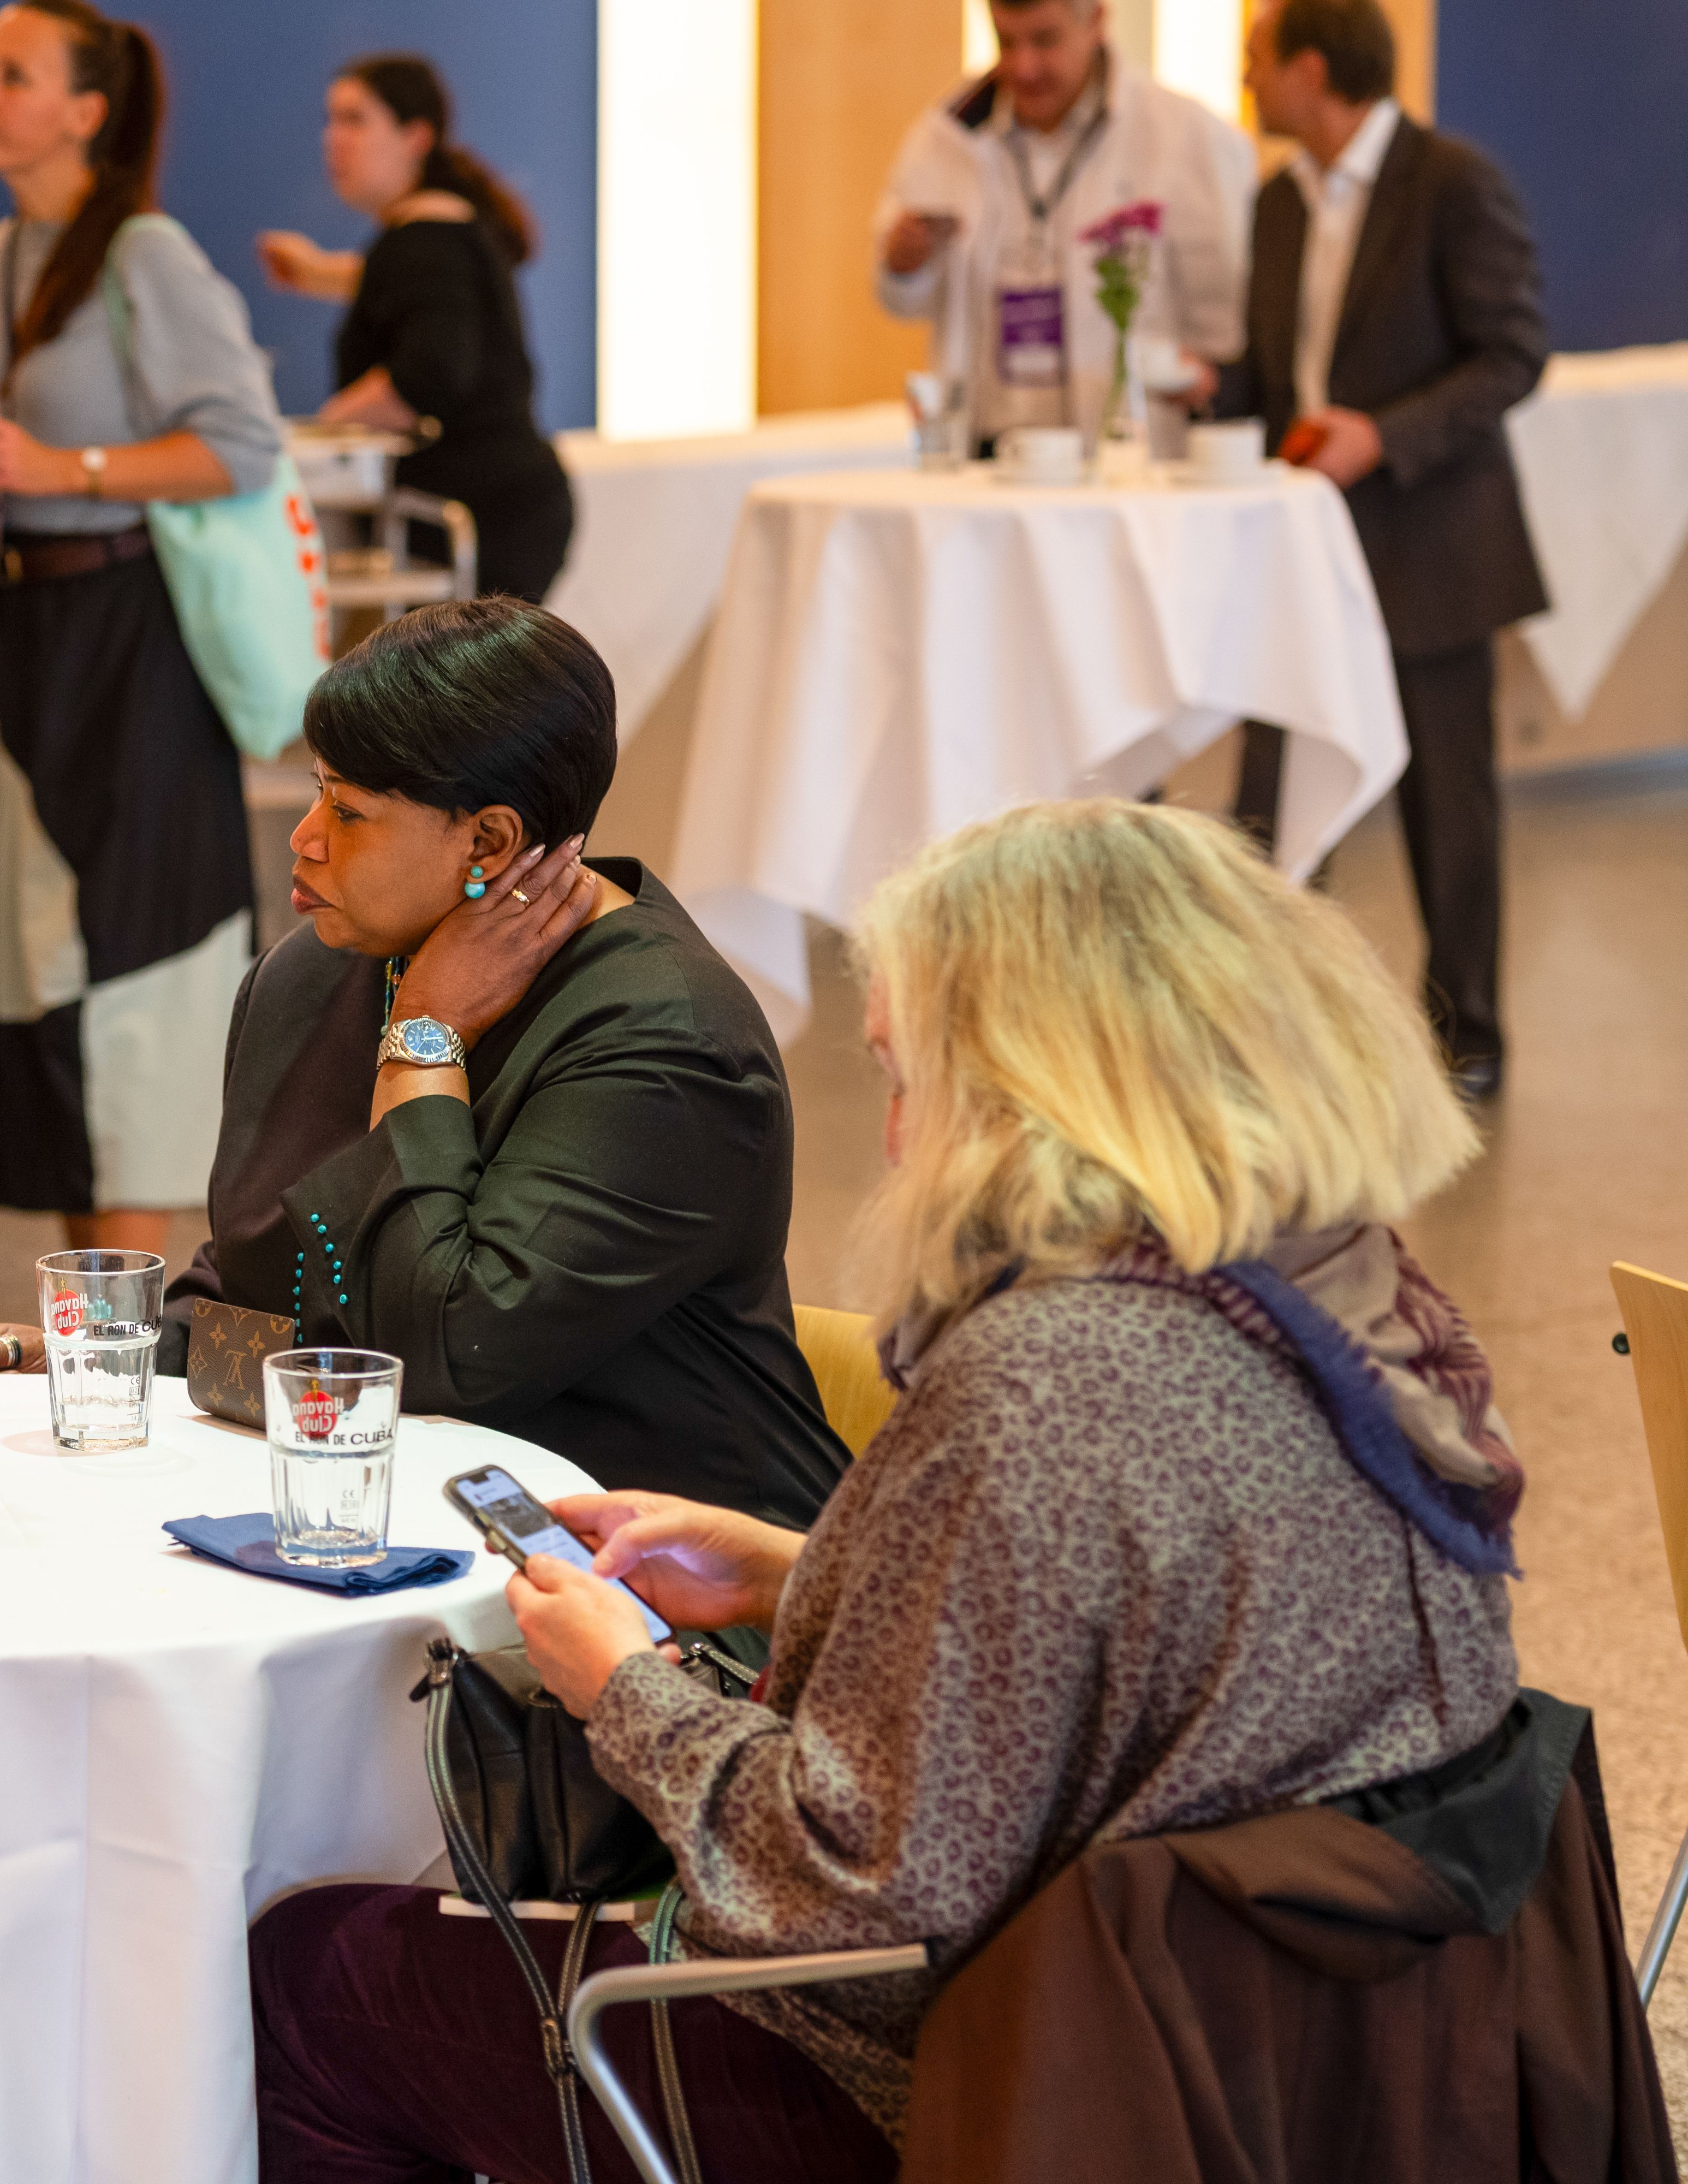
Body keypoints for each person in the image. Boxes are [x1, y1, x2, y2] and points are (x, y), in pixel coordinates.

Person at [250, 799, 1517, 2180]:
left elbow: (836, 1896)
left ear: (1038, 1099)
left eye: (903, 1078)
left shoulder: (1041, 1378)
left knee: (308, 1980)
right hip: (1309, 2054)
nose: (895, 1136)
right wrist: (805, 1567)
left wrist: (624, 1686)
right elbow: (1173, 1627)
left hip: (996, 2088)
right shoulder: (1355, 1307)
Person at [0, 599, 850, 1530]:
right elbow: (268, 1295)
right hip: (386, 1517)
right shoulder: (314, 972)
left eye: (349, 812)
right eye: (316, 792)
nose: (305, 838)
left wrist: (425, 1038)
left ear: (491, 843)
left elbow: (445, 1357)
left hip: (645, 1581)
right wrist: (104, 1357)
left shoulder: (667, 1045)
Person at [0, 0, 286, 1258]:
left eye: (11, 72)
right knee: (33, 981)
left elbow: (240, 445)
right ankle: (88, 1340)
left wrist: (56, 461)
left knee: (127, 990)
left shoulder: (147, 256)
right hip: (12, 644)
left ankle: (115, 1365)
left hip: (128, 656)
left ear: (88, 111)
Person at [1216, 0, 1547, 1106]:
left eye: (1257, 57)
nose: (1245, 76)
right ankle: (1263, 1033)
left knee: (1449, 810)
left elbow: (1512, 353)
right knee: (1266, 806)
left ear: (1313, 69)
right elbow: (1273, 382)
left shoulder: (1451, 181)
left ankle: (1468, 1036)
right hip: (1298, 554)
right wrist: (1195, 384)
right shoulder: (1273, 204)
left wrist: (1382, 437)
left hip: (1431, 543)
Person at [256, 56, 576, 603]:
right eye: (330, 120)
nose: (333, 139)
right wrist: (316, 273)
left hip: (477, 518)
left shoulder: (427, 233)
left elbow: (426, 376)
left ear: (415, 136)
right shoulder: (437, 229)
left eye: (355, 120)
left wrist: (313, 438)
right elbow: (404, 286)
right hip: (504, 507)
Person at [873, 0, 1256, 449]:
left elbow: (1224, 325)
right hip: (987, 446)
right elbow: (902, 301)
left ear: (1096, 21)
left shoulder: (1186, 136)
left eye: (1045, 40)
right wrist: (904, 263)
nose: (1024, 66)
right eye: (1006, 42)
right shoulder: (949, 135)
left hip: (1127, 454)